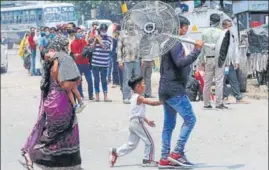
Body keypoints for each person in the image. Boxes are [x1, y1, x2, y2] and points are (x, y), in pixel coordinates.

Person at [21, 40, 82, 170]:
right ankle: (35, 155)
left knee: (51, 132)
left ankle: (38, 156)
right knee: (64, 131)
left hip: (51, 101)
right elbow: (66, 84)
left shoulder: (49, 65)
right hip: (60, 102)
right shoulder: (59, 64)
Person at [158, 15, 204, 168]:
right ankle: (177, 153)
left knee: (169, 125)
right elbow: (180, 62)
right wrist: (197, 51)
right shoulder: (174, 43)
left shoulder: (167, 42)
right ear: (179, 27)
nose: (186, 30)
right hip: (174, 90)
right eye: (185, 27)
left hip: (166, 89)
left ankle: (165, 158)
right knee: (190, 119)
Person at [109, 77, 162, 167]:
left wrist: (147, 120)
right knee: (150, 141)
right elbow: (151, 103)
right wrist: (164, 101)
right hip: (137, 123)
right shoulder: (139, 97)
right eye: (143, 83)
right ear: (138, 86)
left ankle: (115, 152)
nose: (145, 85)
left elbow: (137, 112)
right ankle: (148, 160)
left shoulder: (133, 97)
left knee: (132, 144)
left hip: (133, 122)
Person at [48, 36, 86, 113]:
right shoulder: (68, 56)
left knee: (68, 91)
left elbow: (54, 69)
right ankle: (81, 102)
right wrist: (79, 77)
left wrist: (57, 80)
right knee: (74, 89)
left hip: (66, 79)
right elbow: (75, 67)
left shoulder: (57, 55)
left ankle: (75, 105)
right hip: (74, 77)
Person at [199, 13, 228, 109]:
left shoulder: (204, 32)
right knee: (219, 81)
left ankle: (206, 103)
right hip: (219, 59)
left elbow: (201, 48)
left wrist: (201, 61)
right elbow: (224, 48)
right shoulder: (221, 33)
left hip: (208, 58)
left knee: (207, 82)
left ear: (210, 21)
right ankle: (219, 103)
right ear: (219, 22)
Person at [222, 19, 248, 104]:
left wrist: (236, 61)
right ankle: (224, 97)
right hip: (222, 63)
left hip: (230, 63)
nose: (230, 27)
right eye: (229, 26)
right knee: (222, 80)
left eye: (231, 26)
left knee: (234, 80)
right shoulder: (221, 35)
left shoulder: (232, 36)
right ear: (224, 26)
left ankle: (238, 97)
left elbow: (235, 49)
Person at [117, 25, 142, 104]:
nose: (131, 25)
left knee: (137, 80)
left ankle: (137, 97)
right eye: (130, 24)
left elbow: (141, 47)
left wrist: (143, 59)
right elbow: (119, 48)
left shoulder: (138, 33)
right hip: (127, 60)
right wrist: (119, 60)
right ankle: (126, 97)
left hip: (137, 60)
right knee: (127, 79)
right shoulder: (123, 34)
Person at [91, 23, 113, 102]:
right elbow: (92, 48)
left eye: (105, 30)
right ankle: (97, 96)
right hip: (95, 63)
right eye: (102, 29)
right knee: (96, 80)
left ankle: (105, 97)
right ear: (100, 30)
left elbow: (105, 47)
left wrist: (99, 40)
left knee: (104, 80)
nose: (103, 31)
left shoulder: (109, 39)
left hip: (104, 63)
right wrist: (95, 40)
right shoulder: (96, 38)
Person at [71, 31, 95, 100]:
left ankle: (91, 95)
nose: (80, 38)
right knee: (79, 81)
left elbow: (88, 48)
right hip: (78, 64)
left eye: (81, 36)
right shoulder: (73, 43)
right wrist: (82, 54)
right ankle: (80, 94)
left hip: (86, 63)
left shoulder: (83, 41)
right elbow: (75, 55)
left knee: (90, 80)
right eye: (79, 36)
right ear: (75, 37)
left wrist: (88, 50)